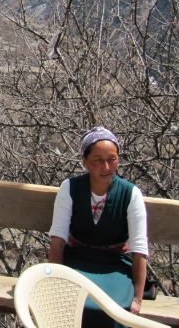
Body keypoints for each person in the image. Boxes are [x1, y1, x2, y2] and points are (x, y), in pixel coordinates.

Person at [48, 126, 149, 327]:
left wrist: (137, 299)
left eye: (112, 159)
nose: (106, 167)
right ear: (85, 162)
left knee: (112, 308)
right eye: (98, 160)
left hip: (115, 265)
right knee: (71, 303)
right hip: (76, 260)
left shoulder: (130, 194)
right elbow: (57, 240)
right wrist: (54, 282)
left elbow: (139, 249)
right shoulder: (70, 188)